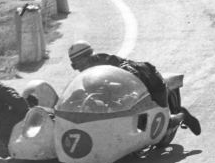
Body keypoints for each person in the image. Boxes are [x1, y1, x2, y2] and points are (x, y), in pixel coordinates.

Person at [67, 40, 201, 135]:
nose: (78, 67)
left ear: (89, 56)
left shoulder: (109, 61)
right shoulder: (87, 75)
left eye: (80, 62)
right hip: (126, 89)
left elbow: (132, 74)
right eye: (74, 65)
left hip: (149, 81)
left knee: (160, 126)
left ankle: (182, 115)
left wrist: (127, 90)